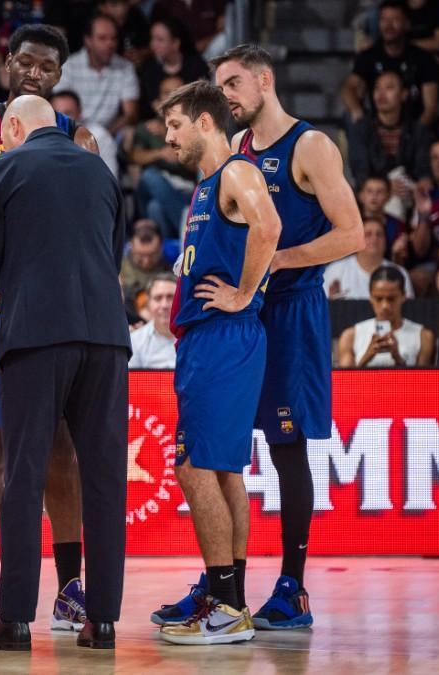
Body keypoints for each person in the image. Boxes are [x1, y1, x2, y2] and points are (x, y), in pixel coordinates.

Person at [171, 44, 363, 633]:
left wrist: (276, 261)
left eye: (233, 83)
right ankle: (221, 585)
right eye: (219, 86)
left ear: (265, 80)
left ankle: (293, 586)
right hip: (241, 315)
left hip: (290, 306)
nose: (226, 95)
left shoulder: (310, 145)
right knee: (222, 449)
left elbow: (352, 232)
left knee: (285, 447)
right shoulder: (236, 156)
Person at [0, 94, 129, 652]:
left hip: (36, 337)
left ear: (15, 127)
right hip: (106, 338)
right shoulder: (99, 168)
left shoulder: (6, 165)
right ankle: (103, 621)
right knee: (103, 480)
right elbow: (109, 253)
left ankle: (15, 620)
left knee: (22, 475)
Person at [153, 80, 281, 646]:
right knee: (222, 468)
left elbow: (270, 227)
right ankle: (225, 593)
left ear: (205, 123)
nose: (168, 137)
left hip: (225, 335)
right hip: (209, 339)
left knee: (194, 465)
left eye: (175, 125)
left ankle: (228, 605)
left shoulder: (237, 172)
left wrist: (244, 292)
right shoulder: (208, 185)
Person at [342, 0, 439, 127]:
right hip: (376, 132)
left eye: (395, 20)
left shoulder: (423, 58)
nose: (388, 26)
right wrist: (357, 111)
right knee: (349, 117)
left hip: (414, 130)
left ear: (406, 24)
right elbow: (348, 88)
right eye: (384, 20)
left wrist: (414, 136)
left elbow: (431, 109)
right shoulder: (369, 56)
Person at [128, 75, 196, 240]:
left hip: (185, 190)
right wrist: (160, 153)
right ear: (159, 99)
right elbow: (134, 157)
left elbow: (200, 169)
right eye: (167, 93)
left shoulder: (195, 128)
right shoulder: (147, 128)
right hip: (153, 187)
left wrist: (170, 138)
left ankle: (170, 252)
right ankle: (189, 236)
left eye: (178, 92)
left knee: (155, 208)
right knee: (150, 176)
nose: (172, 97)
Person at [55, 11, 138, 137]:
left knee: (130, 135)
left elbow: (130, 114)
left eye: (113, 38)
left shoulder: (125, 67)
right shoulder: (68, 67)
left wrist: (103, 136)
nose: (110, 44)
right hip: (73, 133)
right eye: (102, 38)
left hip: (111, 133)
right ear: (88, 40)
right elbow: (61, 109)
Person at [347, 70, 434, 188]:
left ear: (404, 94)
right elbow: (361, 172)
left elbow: (423, 171)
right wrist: (388, 187)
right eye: (377, 88)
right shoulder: (362, 129)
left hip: (409, 193)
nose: (381, 94)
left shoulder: (418, 130)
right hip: (374, 193)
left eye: (389, 88)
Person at [338, 266, 434, 368]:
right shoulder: (350, 336)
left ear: (403, 296)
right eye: (379, 299)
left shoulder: (423, 336)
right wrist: (368, 355)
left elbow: (423, 382)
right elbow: (344, 381)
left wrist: (397, 357)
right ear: (370, 297)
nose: (385, 306)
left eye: (391, 299)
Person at [136, 17, 209, 120]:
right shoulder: (149, 70)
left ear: (175, 43)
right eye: (152, 39)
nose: (153, 45)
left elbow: (203, 103)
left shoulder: (197, 66)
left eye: (160, 40)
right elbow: (152, 106)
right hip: (159, 121)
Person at [324, 218, 415, 299]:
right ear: (357, 239)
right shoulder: (335, 270)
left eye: (379, 234)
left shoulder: (399, 272)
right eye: (368, 234)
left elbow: (409, 310)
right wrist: (332, 303)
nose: (374, 238)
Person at [49, 90, 120, 176]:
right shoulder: (41, 138)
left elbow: (111, 178)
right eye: (57, 114)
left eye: (68, 113)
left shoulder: (99, 136)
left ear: (79, 113)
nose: (62, 119)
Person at [121, 220, 170, 316]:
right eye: (140, 255)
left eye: (152, 255)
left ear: (161, 246)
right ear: (130, 245)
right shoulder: (118, 268)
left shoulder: (172, 266)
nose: (146, 261)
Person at [128, 273, 176, 369]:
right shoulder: (135, 341)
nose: (164, 305)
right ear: (148, 303)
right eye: (158, 298)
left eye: (170, 297)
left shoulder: (196, 338)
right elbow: (132, 382)